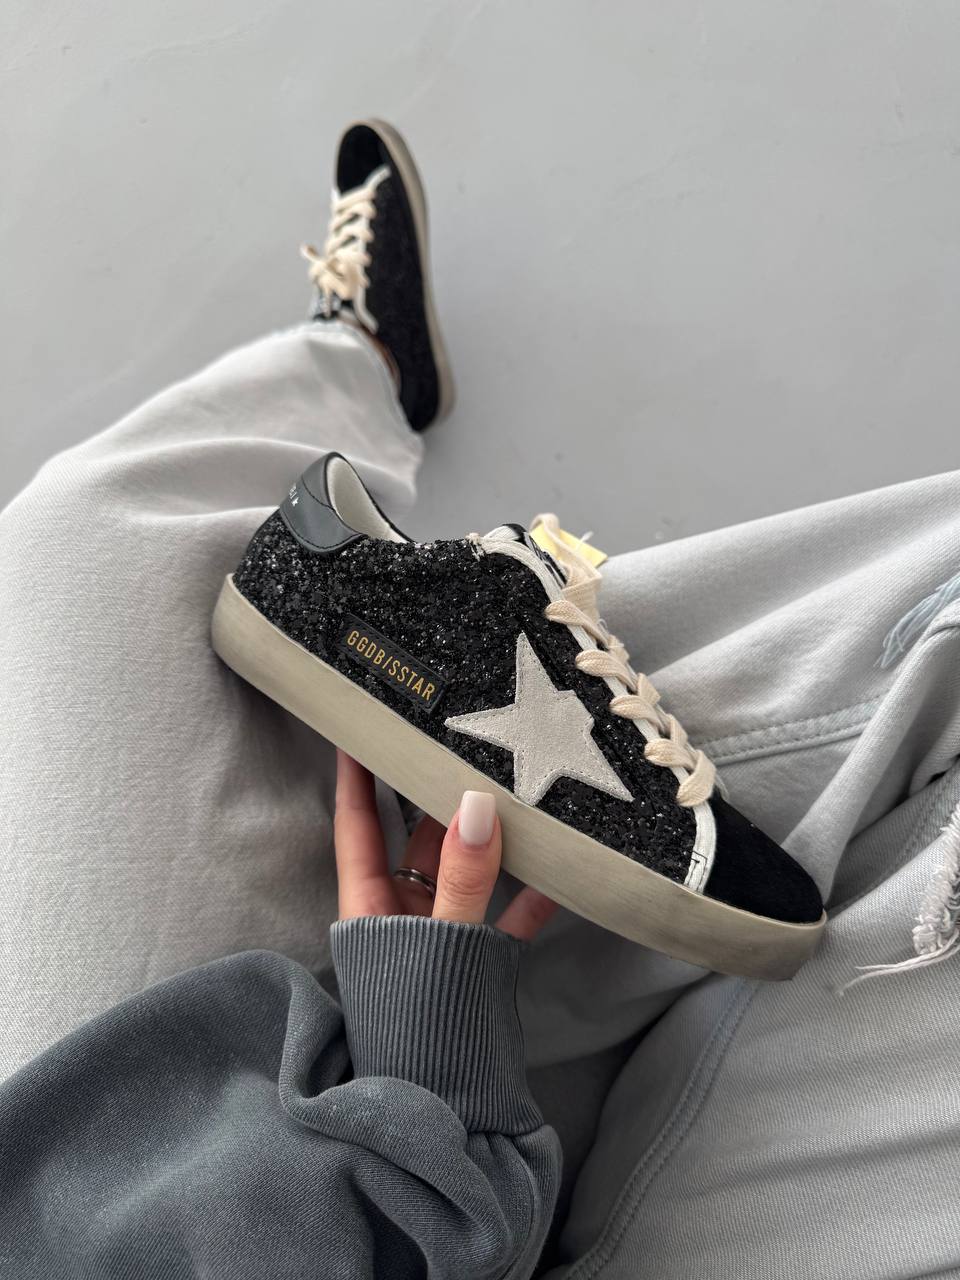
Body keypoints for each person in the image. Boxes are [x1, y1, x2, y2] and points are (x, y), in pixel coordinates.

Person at [1, 119, 960, 1279]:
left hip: (100, 1185)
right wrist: (425, 1087)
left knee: (88, 534)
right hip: (412, 1221)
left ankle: (359, 359)